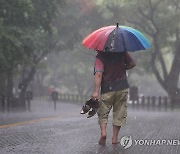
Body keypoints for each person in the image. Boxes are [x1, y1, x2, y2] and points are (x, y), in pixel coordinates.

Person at [92, 51, 136, 145]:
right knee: (119, 113)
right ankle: (115, 138)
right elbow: (132, 64)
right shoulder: (122, 52)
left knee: (103, 112)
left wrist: (96, 91)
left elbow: (99, 74)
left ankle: (103, 133)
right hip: (122, 87)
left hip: (107, 88)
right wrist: (123, 67)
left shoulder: (101, 56)